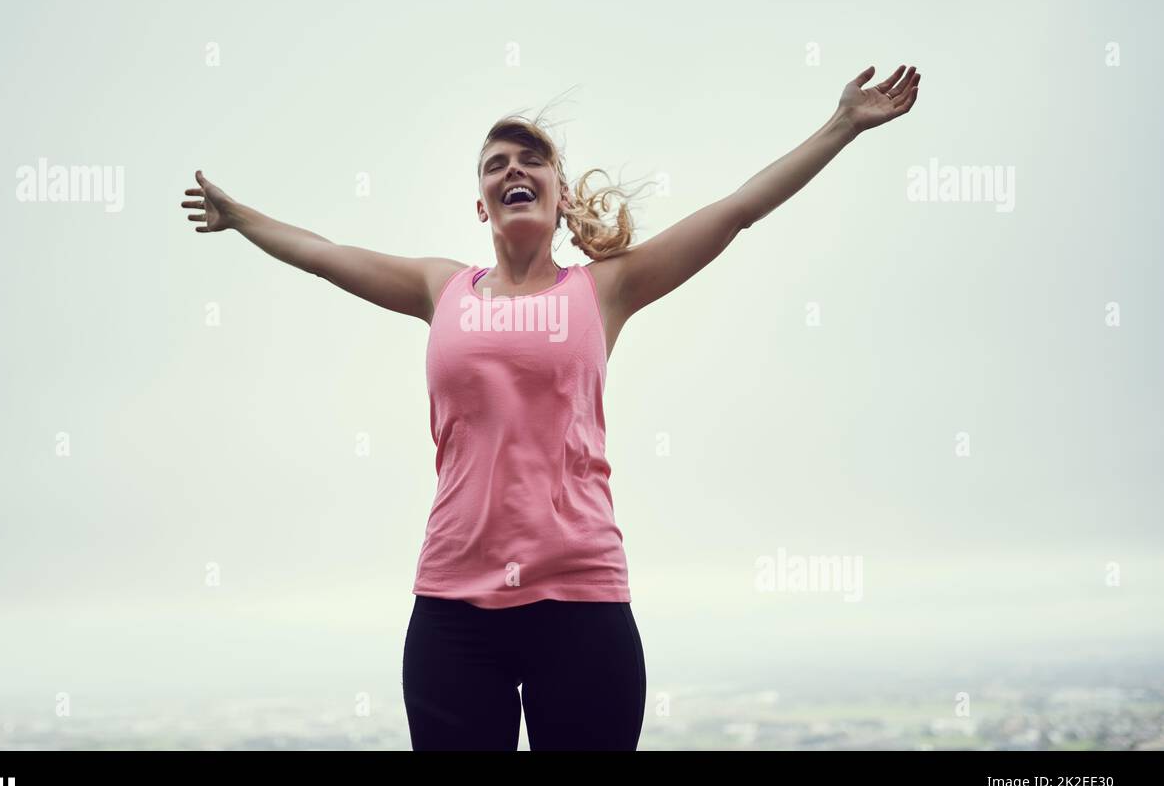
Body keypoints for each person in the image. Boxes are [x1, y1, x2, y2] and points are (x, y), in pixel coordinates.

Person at [178, 65, 921, 750]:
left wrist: (842, 125)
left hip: (582, 601)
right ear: (481, 203)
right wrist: (242, 217)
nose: (514, 169)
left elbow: (736, 212)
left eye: (531, 159)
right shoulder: (443, 289)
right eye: (496, 163)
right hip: (453, 608)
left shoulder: (603, 290)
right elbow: (324, 250)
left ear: (561, 196)